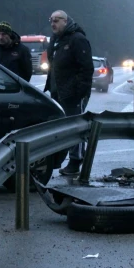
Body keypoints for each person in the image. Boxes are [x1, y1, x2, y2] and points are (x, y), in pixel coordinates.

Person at [43, 10, 94, 175]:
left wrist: (79, 91)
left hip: (73, 93)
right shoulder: (56, 40)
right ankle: (76, 157)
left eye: (57, 20)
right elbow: (54, 65)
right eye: (51, 20)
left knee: (76, 128)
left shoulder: (77, 39)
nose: (53, 23)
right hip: (58, 92)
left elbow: (86, 68)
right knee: (65, 127)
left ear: (66, 21)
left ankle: (75, 162)